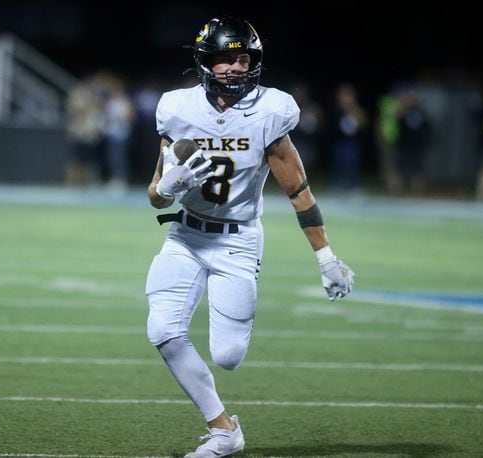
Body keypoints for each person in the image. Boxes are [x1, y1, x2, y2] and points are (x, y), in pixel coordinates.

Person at [145, 17, 355, 458]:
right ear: (206, 62)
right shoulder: (178, 109)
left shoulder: (269, 110)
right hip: (185, 236)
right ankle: (224, 431)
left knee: (228, 356)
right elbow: (155, 197)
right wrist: (168, 186)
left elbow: (298, 190)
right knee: (163, 330)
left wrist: (326, 258)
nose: (236, 68)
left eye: (243, 58)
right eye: (225, 59)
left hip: (237, 242)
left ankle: (226, 425)